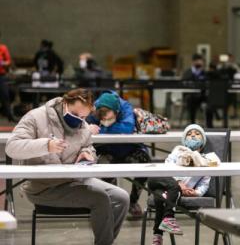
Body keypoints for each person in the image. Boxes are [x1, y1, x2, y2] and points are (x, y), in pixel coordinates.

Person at [5, 88, 129, 245]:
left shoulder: (82, 125)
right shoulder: (36, 117)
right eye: (75, 114)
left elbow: (88, 145)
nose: (78, 119)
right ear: (64, 103)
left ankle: (104, 242)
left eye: (83, 116)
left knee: (122, 197)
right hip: (43, 186)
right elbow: (12, 147)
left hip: (74, 180)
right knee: (101, 199)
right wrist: (45, 145)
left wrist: (86, 153)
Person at [87, 91, 151, 218]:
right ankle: (114, 202)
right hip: (106, 149)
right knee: (102, 165)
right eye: (102, 119)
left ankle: (133, 202)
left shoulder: (125, 107)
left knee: (144, 162)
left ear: (117, 112)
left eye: (109, 118)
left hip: (130, 148)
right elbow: (85, 125)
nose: (105, 120)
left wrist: (102, 129)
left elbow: (126, 128)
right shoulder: (95, 108)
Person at [148, 124, 212, 245]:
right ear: (184, 139)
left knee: (159, 197)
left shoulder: (205, 161)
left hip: (168, 192)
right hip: (159, 180)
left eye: (197, 134)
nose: (193, 135)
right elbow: (167, 166)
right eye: (189, 134)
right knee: (172, 187)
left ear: (203, 141)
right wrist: (177, 183)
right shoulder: (178, 150)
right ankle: (169, 219)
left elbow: (204, 183)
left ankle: (157, 236)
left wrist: (196, 192)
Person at [182, 53, 207, 125]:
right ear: (193, 62)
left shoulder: (204, 73)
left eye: (201, 61)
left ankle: (209, 124)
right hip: (190, 96)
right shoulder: (187, 72)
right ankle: (192, 123)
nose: (199, 63)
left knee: (211, 99)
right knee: (191, 100)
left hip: (201, 96)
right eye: (198, 61)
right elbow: (184, 84)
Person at [0, 32, 15, 122]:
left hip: (1, 76)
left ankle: (9, 115)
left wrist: (2, 63)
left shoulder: (3, 48)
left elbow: (9, 61)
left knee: (5, 95)